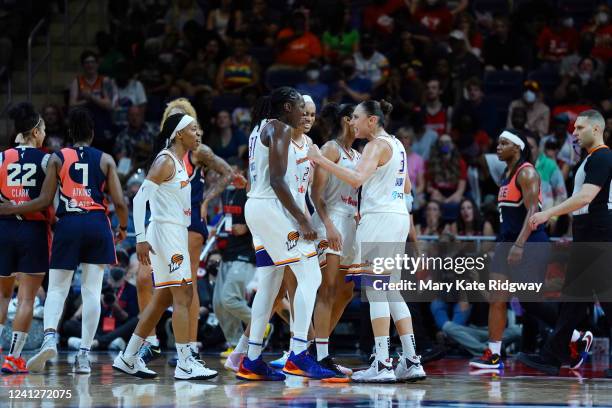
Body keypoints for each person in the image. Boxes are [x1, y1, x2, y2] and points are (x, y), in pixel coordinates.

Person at [1, 108, 129, 374]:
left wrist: (11, 208)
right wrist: (124, 227)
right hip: (95, 223)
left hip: (66, 224)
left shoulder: (58, 157)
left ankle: (49, 338)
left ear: (70, 134)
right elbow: (119, 201)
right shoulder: (105, 159)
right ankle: (83, 355)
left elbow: (47, 199)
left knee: (57, 289)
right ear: (92, 134)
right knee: (92, 290)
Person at [307, 100, 426, 383]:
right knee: (392, 291)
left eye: (358, 118)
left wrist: (321, 160)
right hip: (397, 217)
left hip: (379, 220)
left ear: (372, 120)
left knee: (376, 292)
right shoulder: (396, 144)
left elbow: (358, 179)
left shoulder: (374, 146)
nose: (354, 122)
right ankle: (411, 360)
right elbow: (408, 188)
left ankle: (383, 363)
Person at [236, 87, 334, 381]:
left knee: (269, 282)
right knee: (311, 275)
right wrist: (303, 219)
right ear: (286, 107)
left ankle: (252, 359)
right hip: (271, 208)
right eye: (299, 107)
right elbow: (278, 181)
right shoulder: (278, 128)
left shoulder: (259, 129)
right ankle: (298, 354)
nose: (303, 112)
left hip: (257, 207)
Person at [113, 113, 217, 380]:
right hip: (165, 232)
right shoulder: (165, 161)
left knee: (163, 299)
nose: (198, 134)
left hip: (175, 231)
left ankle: (128, 356)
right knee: (184, 295)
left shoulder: (181, 162)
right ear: (179, 134)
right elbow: (138, 201)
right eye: (194, 129)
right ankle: (185, 362)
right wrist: (140, 238)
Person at [519, 110, 612, 376]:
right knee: (573, 300)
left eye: (580, 128)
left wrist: (548, 212)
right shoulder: (591, 158)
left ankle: (552, 355)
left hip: (599, 232)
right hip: (590, 231)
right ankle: (553, 355)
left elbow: (585, 198)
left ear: (596, 129)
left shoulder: (603, 156)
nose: (574, 132)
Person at [469, 129, 549, 370]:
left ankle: (575, 336)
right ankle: (493, 354)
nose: (498, 147)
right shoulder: (506, 173)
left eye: (504, 143)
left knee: (530, 301)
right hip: (507, 242)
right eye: (498, 142)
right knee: (497, 299)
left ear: (517, 147)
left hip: (529, 242)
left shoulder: (526, 173)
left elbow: (532, 211)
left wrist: (519, 244)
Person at [0, 103, 52, 374]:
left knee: (1, 295)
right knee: (26, 299)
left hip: (3, 229)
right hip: (32, 231)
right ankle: (13, 358)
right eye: (43, 130)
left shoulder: (0, 158)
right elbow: (49, 201)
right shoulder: (46, 160)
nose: (44, 135)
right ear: (34, 131)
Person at [309, 102, 359, 377]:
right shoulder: (330, 149)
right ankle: (321, 355)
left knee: (346, 291)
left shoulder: (358, 154)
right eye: (357, 117)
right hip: (331, 219)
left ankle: (315, 349)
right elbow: (316, 194)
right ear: (347, 120)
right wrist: (328, 225)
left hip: (351, 220)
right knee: (327, 289)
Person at [69, 50, 118, 153]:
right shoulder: (77, 81)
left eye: (92, 62)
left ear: (97, 64)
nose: (90, 65)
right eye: (87, 62)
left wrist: (90, 97)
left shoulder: (105, 81)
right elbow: (72, 105)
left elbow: (109, 105)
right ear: (83, 65)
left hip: (102, 123)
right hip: (84, 123)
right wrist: (91, 101)